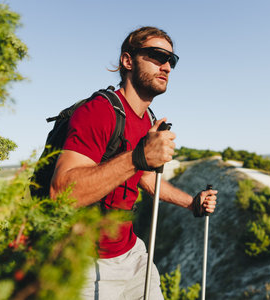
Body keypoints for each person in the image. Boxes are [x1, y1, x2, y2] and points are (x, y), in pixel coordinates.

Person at [50, 26, 218, 300]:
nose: (166, 66)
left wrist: (192, 203)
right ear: (128, 61)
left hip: (132, 253)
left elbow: (143, 177)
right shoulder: (99, 112)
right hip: (87, 263)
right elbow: (61, 193)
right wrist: (138, 157)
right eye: (156, 55)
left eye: (171, 60)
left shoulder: (148, 121)